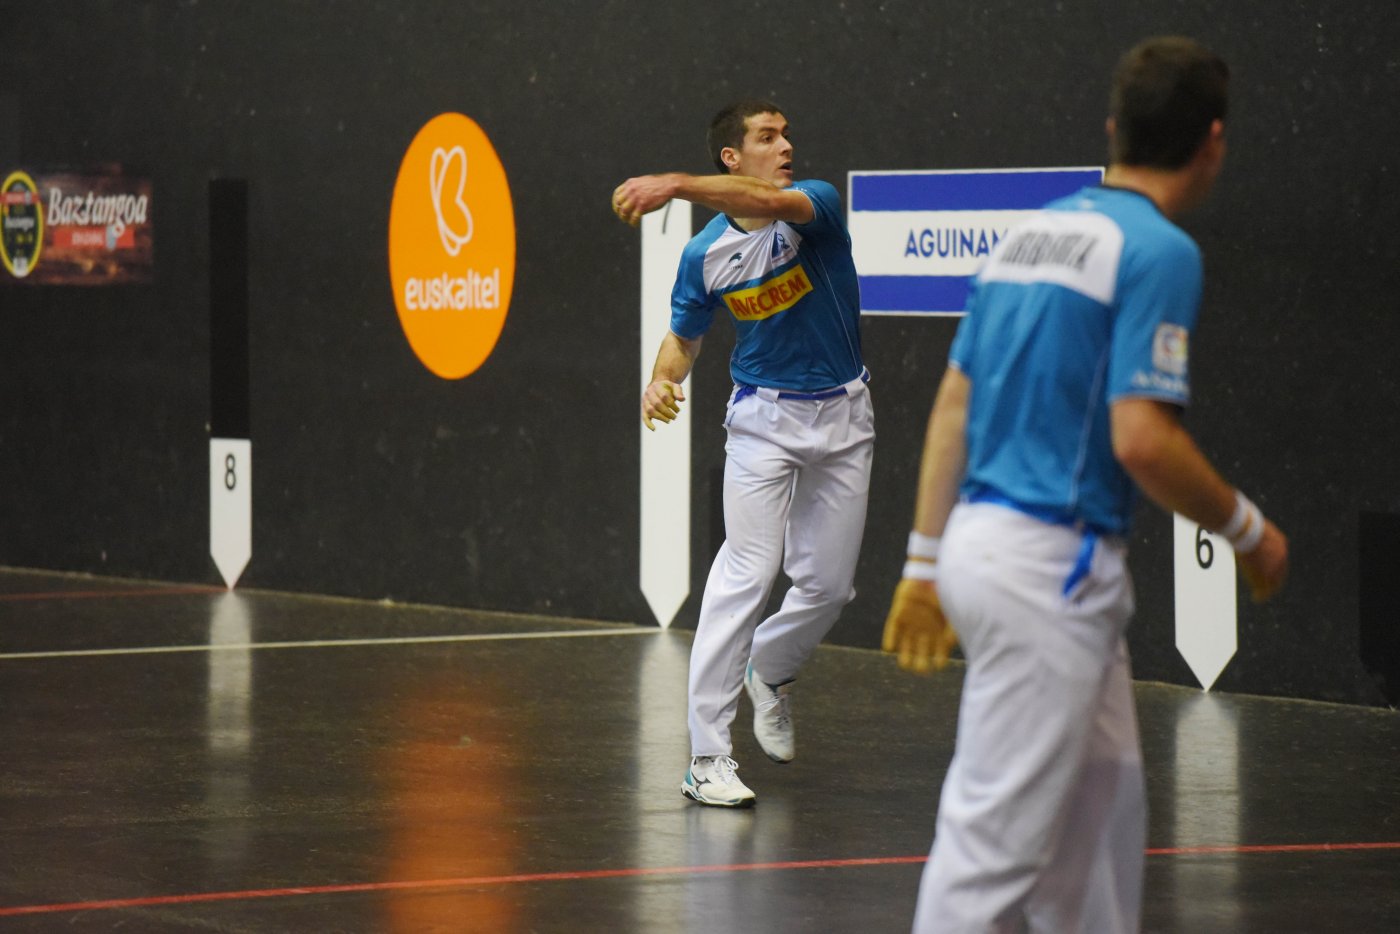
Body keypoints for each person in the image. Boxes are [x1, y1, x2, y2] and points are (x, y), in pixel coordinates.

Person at [881, 37, 1289, 932]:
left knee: (1103, 812)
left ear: (1114, 128)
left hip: (991, 553)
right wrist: (1250, 530)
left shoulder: (1033, 231)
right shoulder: (1160, 251)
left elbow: (956, 399)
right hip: (1046, 574)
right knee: (990, 847)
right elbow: (1142, 439)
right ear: (1213, 142)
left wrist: (922, 560)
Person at [612, 100, 873, 808]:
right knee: (745, 573)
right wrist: (662, 379)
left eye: (787, 131)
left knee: (828, 585)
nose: (785, 143)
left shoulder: (814, 205)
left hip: (846, 414)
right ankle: (706, 757)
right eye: (766, 136)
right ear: (732, 154)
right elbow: (685, 334)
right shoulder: (704, 256)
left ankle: (773, 668)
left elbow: (764, 201)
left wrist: (674, 182)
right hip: (762, 420)